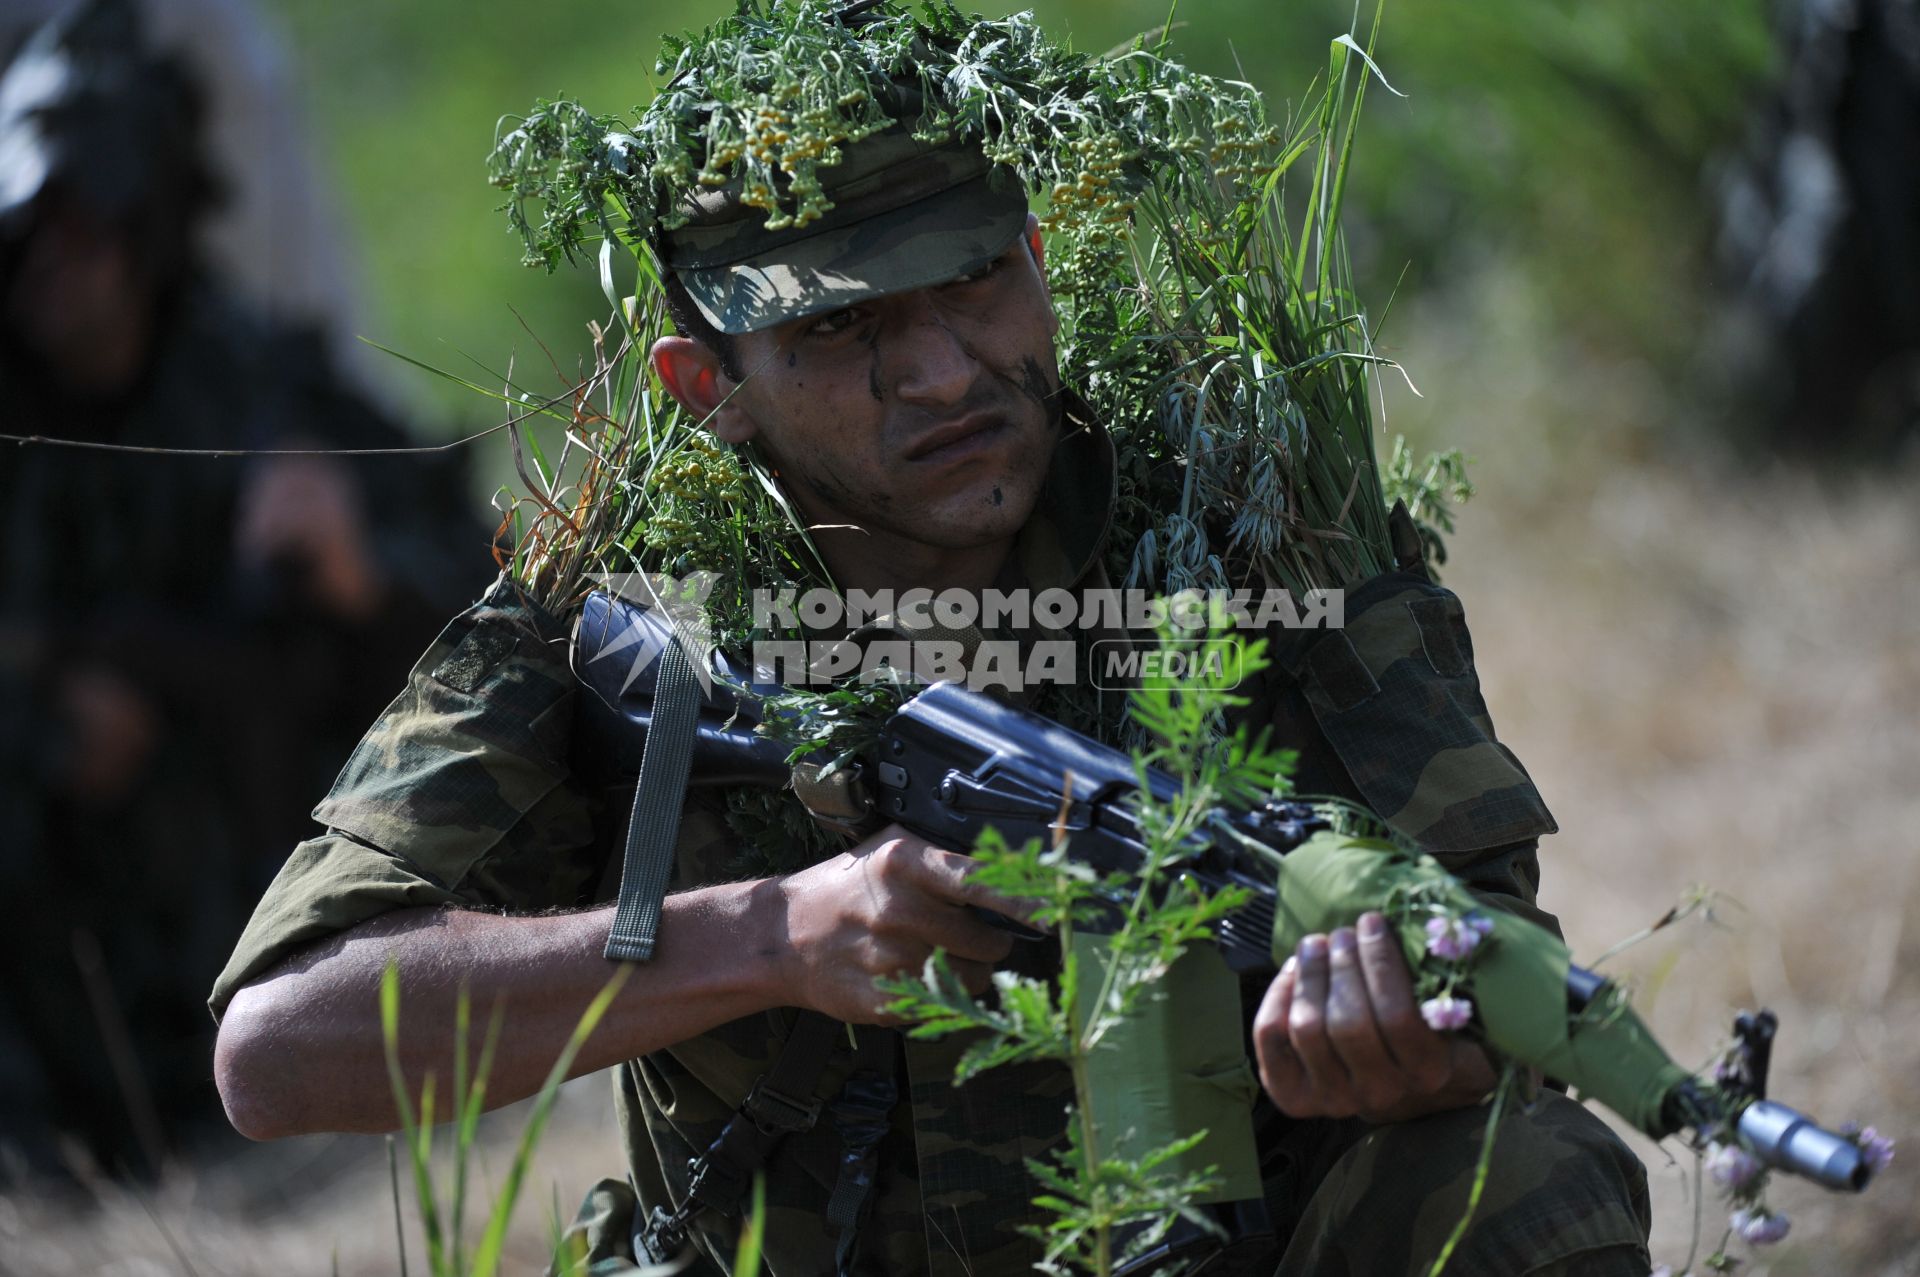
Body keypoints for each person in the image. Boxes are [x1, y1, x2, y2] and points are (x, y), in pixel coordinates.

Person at [211, 7, 1652, 1273]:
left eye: (973, 284)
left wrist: (1399, 1051)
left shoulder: (1267, 546)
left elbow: (1493, 959)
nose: (946, 373)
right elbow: (276, 1047)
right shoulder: (613, 625)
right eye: (843, 336)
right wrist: (767, 937)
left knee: (1520, 1178)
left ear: (1038, 257)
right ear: (707, 384)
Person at [0, 0, 487, 1178]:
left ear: (143, 221)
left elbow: (487, 620)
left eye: (86, 224)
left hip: (271, 931)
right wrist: (43, 720)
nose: (56, 262)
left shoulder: (265, 389)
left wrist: (356, 571)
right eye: (30, 234)